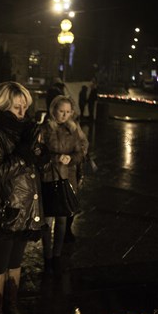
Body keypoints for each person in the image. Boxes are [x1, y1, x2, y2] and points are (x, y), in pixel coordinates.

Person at [0, 81, 49, 314]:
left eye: (25, 107)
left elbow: (33, 163)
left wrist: (41, 153)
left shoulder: (24, 128)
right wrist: (26, 151)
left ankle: (12, 307)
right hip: (4, 208)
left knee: (16, 262)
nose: (22, 112)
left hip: (26, 207)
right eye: (17, 107)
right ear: (3, 104)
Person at [39, 95, 88, 274]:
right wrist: (54, 158)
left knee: (62, 220)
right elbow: (38, 153)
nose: (64, 115)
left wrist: (72, 158)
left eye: (68, 112)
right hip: (49, 177)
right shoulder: (44, 129)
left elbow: (81, 151)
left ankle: (57, 255)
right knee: (47, 220)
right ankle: (47, 256)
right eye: (61, 111)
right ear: (53, 110)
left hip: (68, 178)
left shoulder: (74, 129)